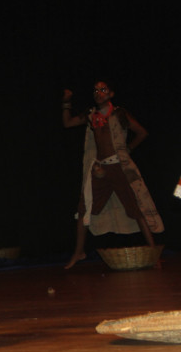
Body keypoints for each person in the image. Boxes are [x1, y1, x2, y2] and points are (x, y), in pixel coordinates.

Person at [62, 81, 162, 269]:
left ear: (111, 94)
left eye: (103, 90)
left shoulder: (119, 114)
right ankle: (78, 252)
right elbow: (67, 123)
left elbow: (142, 133)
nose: (98, 93)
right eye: (95, 90)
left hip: (118, 167)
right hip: (100, 170)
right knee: (84, 209)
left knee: (136, 208)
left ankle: (153, 253)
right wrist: (66, 102)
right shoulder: (91, 115)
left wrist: (128, 150)